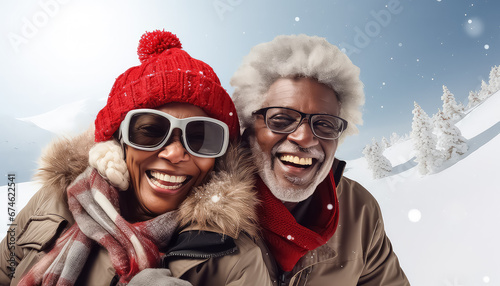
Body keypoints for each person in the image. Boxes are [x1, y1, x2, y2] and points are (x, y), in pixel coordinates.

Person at [0, 30, 271, 286]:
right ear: (120, 141)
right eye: (151, 131)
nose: (175, 153)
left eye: (201, 137)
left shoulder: (238, 260)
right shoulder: (53, 200)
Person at [230, 34, 411, 285]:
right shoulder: (201, 208)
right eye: (281, 119)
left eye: (325, 124)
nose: (304, 137)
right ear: (248, 127)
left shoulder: (358, 211)